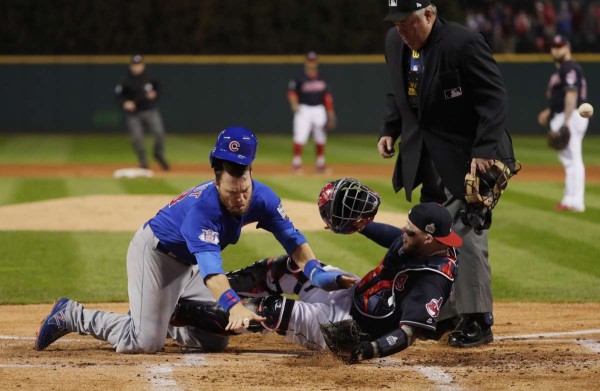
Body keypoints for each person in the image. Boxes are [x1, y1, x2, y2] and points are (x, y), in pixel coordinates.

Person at [34, 126, 353, 353]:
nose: (240, 198)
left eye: (244, 188)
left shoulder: (262, 198)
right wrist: (234, 305)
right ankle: (72, 314)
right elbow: (212, 271)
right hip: (156, 256)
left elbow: (294, 241)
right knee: (144, 343)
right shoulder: (203, 212)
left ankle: (161, 312)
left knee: (214, 340)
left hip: (187, 263)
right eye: (232, 191)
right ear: (216, 181)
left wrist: (316, 272)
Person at [169, 180, 462, 364]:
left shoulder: (432, 281)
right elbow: (392, 236)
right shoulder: (419, 242)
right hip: (352, 294)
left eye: (410, 233)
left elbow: (408, 333)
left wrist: (366, 350)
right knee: (287, 267)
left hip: (348, 325)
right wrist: (360, 224)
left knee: (269, 311)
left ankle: (175, 312)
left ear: (429, 239)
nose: (403, 234)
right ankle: (202, 291)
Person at [377, 1, 516, 348]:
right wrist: (390, 129)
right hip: (425, 155)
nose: (402, 30)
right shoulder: (395, 43)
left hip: (469, 154)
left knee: (464, 228)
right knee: (431, 234)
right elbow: (398, 92)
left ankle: (477, 320)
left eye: (407, 22)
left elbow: (494, 97)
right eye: (396, 24)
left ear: (429, 14)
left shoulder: (462, 43)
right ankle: (447, 314)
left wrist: (484, 149)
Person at [537, 34, 589, 212]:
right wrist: (549, 111)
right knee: (569, 160)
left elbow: (571, 95)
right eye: (553, 46)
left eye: (560, 46)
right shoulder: (563, 70)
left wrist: (566, 123)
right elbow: (560, 97)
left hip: (571, 115)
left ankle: (575, 202)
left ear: (568, 48)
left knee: (573, 159)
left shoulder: (569, 68)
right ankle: (570, 199)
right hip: (565, 114)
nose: (556, 49)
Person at [115, 54, 170, 171]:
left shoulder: (150, 78)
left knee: (160, 134)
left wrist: (155, 94)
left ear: (143, 65)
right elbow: (118, 95)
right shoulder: (125, 81)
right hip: (134, 114)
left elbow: (158, 88)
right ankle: (143, 161)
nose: (136, 67)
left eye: (139, 64)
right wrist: (125, 102)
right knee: (137, 139)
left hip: (150, 111)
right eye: (134, 65)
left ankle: (158, 155)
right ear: (130, 66)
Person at [288, 51, 337, 174]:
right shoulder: (299, 78)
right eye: (309, 60)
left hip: (319, 109)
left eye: (313, 60)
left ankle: (320, 164)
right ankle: (296, 164)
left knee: (320, 137)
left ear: (316, 62)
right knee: (300, 136)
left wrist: (330, 112)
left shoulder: (322, 78)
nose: (312, 63)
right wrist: (294, 104)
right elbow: (292, 92)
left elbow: (327, 97)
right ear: (306, 62)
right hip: (303, 108)